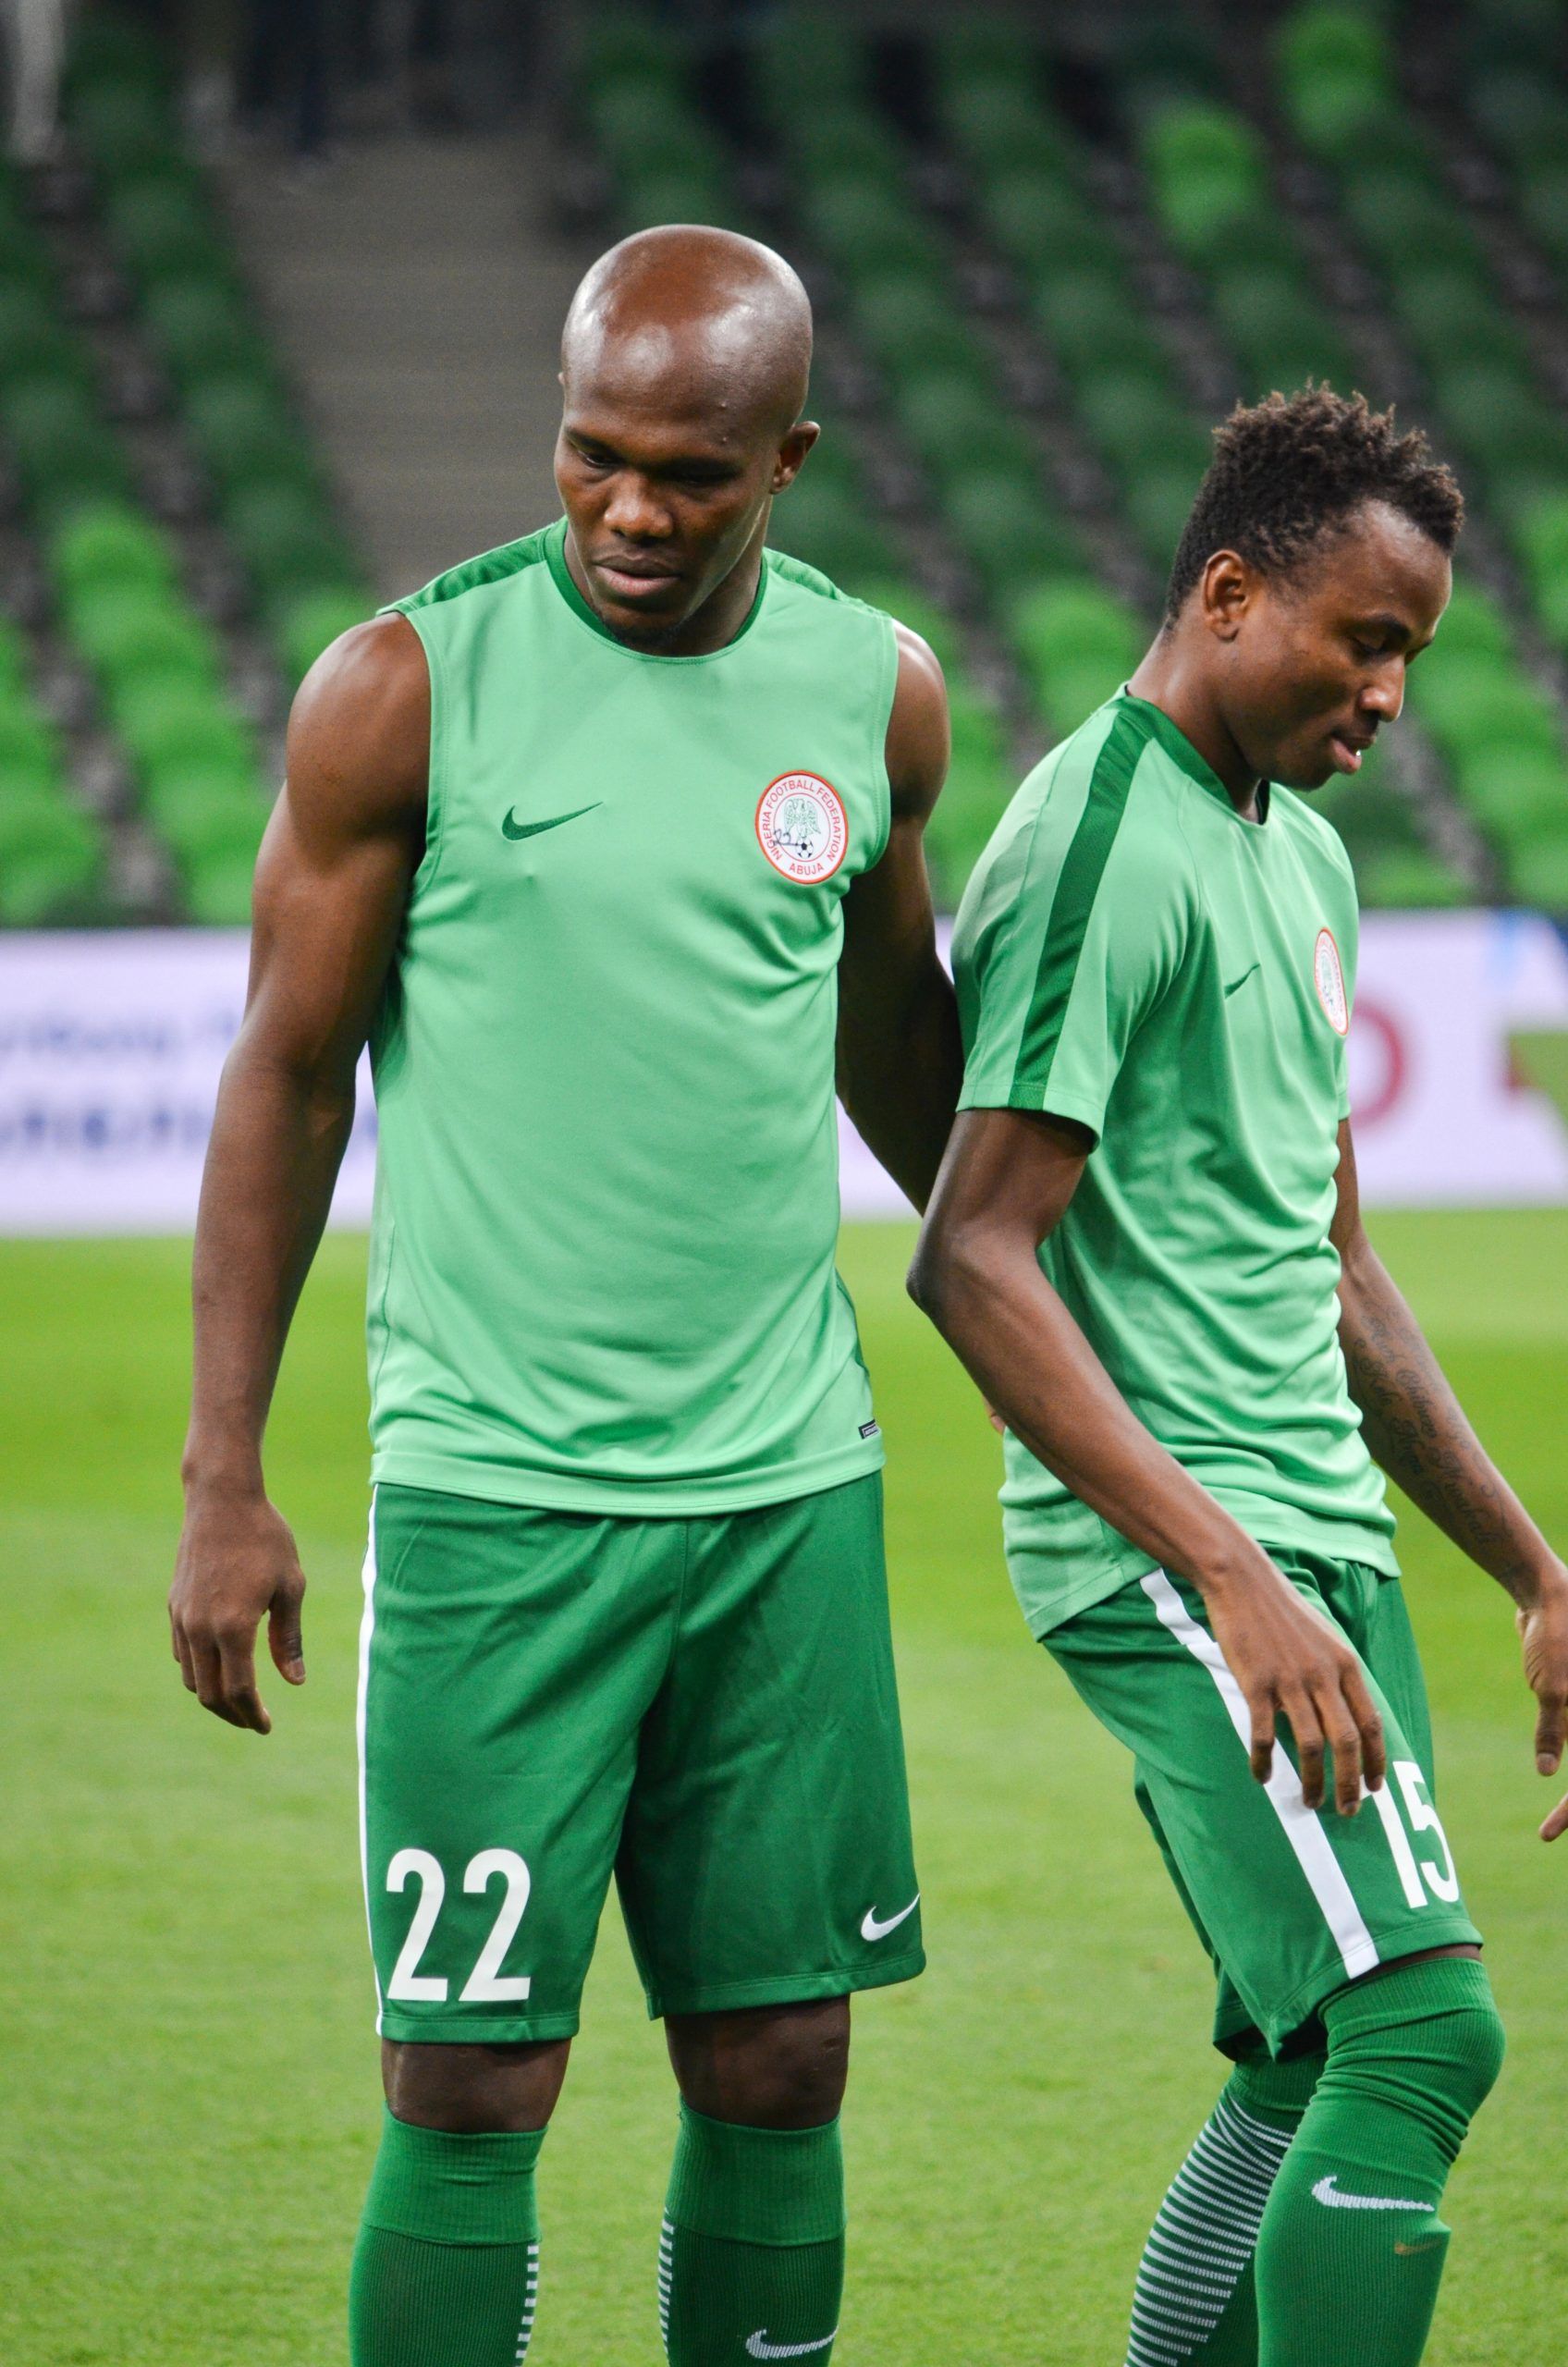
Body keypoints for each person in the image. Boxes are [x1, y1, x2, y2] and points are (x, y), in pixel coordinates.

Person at [168, 225, 960, 2367]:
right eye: (590, 454)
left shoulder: (871, 690)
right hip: (497, 1501)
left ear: (785, 457)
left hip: (782, 1492)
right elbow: (284, 1075)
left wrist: (1041, 1264)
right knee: (469, 2079)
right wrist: (223, 1470)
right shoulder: (402, 686)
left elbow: (901, 1039)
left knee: (785, 2055)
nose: (626, 509)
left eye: (688, 473)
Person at [909, 386, 1568, 2367]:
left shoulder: (1293, 859)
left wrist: (1533, 1572)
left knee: (1300, 2054)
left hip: (1306, 1537)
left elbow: (1341, 1274)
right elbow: (970, 1252)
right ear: (1221, 590)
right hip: (1183, 1551)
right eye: (1357, 638)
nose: (1385, 693)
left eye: (1410, 656)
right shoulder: (1097, 842)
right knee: (1419, 2024)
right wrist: (1224, 1571)